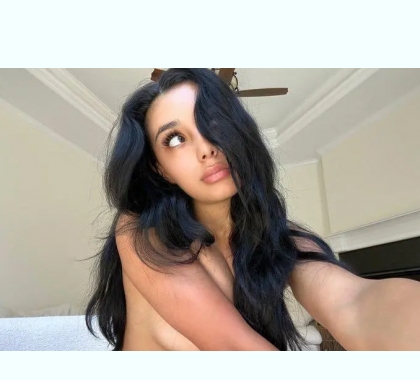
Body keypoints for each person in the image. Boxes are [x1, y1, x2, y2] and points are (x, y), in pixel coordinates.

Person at [85, 68, 420, 351]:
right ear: (161, 170)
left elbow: (355, 303)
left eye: (212, 121)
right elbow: (234, 347)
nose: (206, 149)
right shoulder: (141, 230)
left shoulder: (280, 238)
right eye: (175, 139)